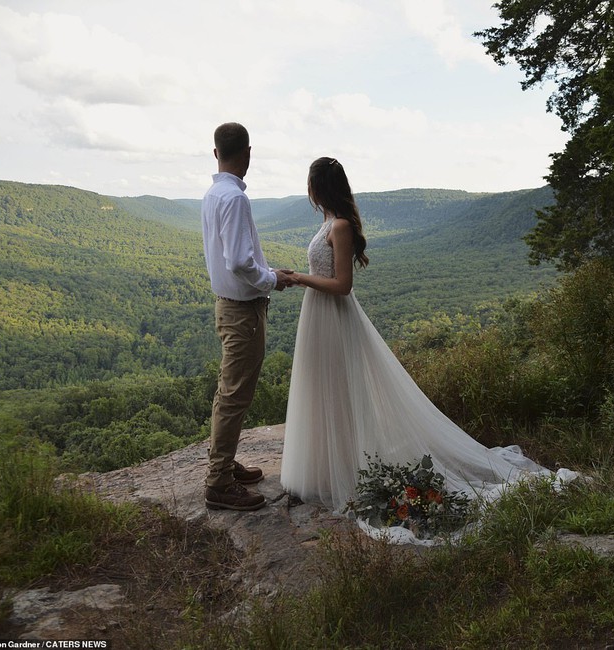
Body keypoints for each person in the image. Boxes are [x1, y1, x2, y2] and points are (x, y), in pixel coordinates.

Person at [280, 157, 559, 537]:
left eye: (310, 183)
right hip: (318, 316)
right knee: (324, 391)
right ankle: (332, 465)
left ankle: (349, 472)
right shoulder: (328, 222)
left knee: (341, 391)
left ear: (317, 187)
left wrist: (299, 279)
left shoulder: (340, 226)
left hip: (333, 316)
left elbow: (343, 285)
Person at [202, 122, 292, 511]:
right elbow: (239, 260)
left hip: (229, 306)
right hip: (243, 312)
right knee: (235, 395)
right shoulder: (235, 199)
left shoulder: (213, 193)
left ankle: (224, 466)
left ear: (216, 152)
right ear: (248, 153)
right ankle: (219, 481)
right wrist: (272, 279)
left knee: (230, 392)